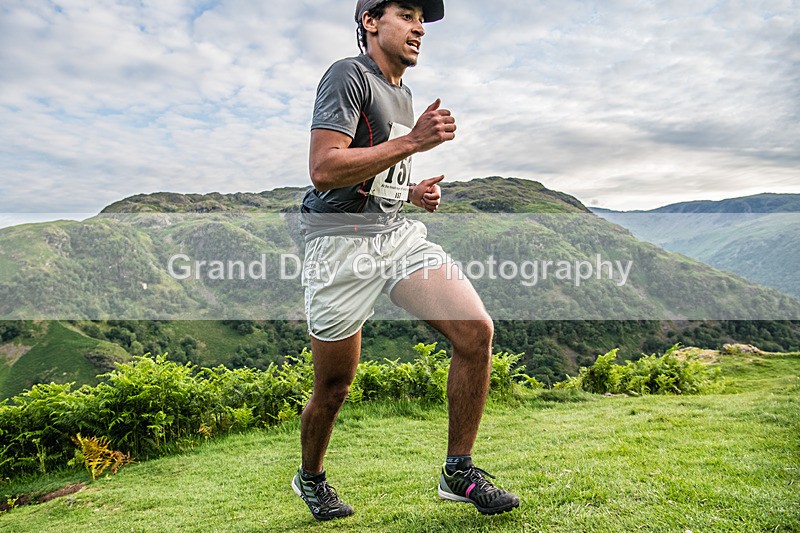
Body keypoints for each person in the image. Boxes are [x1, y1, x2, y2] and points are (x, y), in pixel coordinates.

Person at [292, 0, 520, 520]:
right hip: (338, 244)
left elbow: (376, 173)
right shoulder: (347, 76)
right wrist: (417, 140)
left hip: (394, 234)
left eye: (423, 19)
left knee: (475, 332)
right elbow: (325, 169)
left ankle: (457, 470)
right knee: (333, 387)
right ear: (370, 21)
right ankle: (310, 478)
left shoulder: (403, 93)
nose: (420, 27)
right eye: (407, 14)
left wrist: (411, 192)